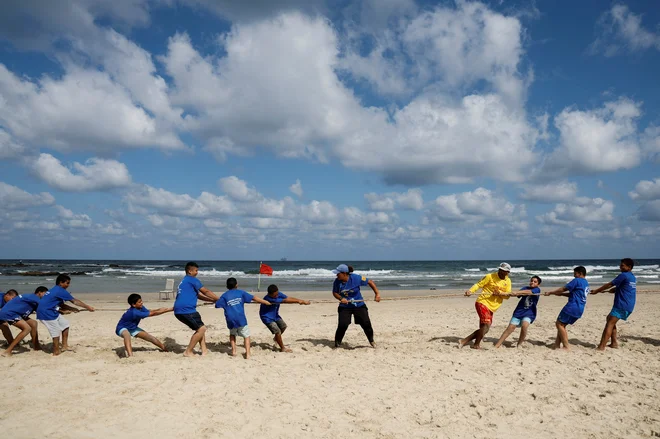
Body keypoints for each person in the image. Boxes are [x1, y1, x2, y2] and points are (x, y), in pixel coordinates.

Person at [36, 275, 95, 356]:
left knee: (65, 324)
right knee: (55, 331)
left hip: (51, 311)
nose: (68, 285)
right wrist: (88, 307)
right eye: (67, 283)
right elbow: (75, 301)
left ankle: (64, 346)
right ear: (61, 283)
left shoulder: (56, 290)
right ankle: (56, 351)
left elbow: (62, 305)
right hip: (45, 313)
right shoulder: (60, 290)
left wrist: (73, 309)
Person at [459, 262, 513, 349]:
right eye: (500, 270)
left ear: (508, 273)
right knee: (486, 325)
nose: (501, 272)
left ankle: (467, 342)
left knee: (485, 328)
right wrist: (470, 291)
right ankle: (473, 344)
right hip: (482, 302)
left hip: (493, 307)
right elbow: (478, 284)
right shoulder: (490, 276)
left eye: (504, 271)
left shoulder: (508, 281)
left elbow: (507, 296)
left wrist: (499, 293)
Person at [216, 277, 273, 359]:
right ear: (236, 285)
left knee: (232, 334)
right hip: (240, 318)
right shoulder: (241, 293)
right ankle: (248, 353)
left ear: (227, 286)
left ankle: (234, 351)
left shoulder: (224, 296)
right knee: (246, 335)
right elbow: (254, 298)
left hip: (230, 319)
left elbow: (217, 305)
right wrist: (265, 302)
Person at [173, 262, 219, 357]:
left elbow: (198, 295)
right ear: (190, 271)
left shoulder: (184, 281)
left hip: (179, 310)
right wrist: (219, 299)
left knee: (200, 327)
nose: (197, 272)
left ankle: (204, 350)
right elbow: (205, 291)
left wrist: (212, 300)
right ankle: (188, 351)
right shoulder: (192, 280)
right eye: (196, 270)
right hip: (186, 310)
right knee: (202, 329)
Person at [331, 264, 381, 349]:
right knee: (343, 325)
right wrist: (341, 298)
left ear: (344, 273)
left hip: (359, 305)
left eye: (338, 273)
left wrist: (377, 294)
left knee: (366, 324)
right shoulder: (337, 281)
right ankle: (337, 343)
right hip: (345, 306)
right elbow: (335, 293)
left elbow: (370, 282)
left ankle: (371, 341)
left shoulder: (356, 278)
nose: (336, 275)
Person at [590, 258, 636, 351]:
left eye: (622, 265)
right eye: (620, 265)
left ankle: (601, 347)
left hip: (622, 305)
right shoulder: (632, 276)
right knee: (609, 319)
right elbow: (624, 287)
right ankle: (614, 343)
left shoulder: (624, 275)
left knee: (610, 323)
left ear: (629, 267)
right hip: (628, 305)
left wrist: (597, 291)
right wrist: (614, 290)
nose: (620, 267)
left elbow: (610, 284)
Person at [544, 266, 589, 351]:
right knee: (562, 325)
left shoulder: (577, 280)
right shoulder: (586, 283)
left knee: (559, 324)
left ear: (580, 273)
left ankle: (566, 346)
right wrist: (560, 294)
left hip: (572, 306)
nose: (574, 275)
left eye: (575, 273)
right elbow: (574, 294)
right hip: (580, 308)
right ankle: (557, 345)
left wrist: (551, 292)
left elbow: (564, 288)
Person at [494, 276, 542, 349]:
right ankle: (498, 344)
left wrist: (518, 292)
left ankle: (519, 344)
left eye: (535, 282)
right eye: (531, 281)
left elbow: (529, 292)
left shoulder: (537, 289)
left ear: (538, 284)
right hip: (519, 311)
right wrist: (503, 293)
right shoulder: (524, 288)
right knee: (510, 328)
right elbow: (517, 295)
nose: (532, 282)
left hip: (529, 312)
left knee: (524, 325)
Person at [259, 284, 310, 353]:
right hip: (267, 317)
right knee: (277, 331)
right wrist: (299, 301)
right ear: (270, 294)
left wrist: (301, 300)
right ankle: (282, 348)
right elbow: (285, 301)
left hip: (275, 315)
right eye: (275, 295)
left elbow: (287, 298)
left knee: (283, 326)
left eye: (277, 294)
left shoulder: (278, 293)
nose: (277, 296)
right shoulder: (268, 299)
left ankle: (276, 339)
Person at [0, 287, 46, 356]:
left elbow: (42, 310)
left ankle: (36, 346)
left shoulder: (33, 301)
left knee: (34, 323)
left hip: (17, 313)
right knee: (27, 328)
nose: (46, 296)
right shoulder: (34, 297)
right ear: (39, 293)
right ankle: (8, 350)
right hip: (9, 313)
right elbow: (44, 305)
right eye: (45, 294)